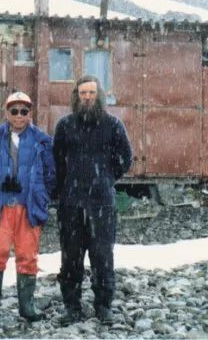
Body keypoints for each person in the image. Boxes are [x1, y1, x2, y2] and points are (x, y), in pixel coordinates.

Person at [52, 75, 133, 325]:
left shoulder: (113, 125)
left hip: (101, 204)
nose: (87, 97)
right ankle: (72, 306)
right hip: (71, 204)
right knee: (70, 257)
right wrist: (65, 188)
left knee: (102, 256)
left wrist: (105, 178)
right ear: (76, 96)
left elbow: (125, 158)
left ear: (99, 96)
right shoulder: (65, 126)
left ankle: (103, 306)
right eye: (83, 93)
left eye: (91, 93)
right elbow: (57, 162)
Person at [0, 91, 55, 322]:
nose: (19, 115)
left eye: (24, 111)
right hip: (0, 207)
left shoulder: (41, 140)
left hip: (29, 208)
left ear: (30, 113)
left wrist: (40, 195)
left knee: (28, 256)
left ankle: (27, 307)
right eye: (14, 111)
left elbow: (51, 174)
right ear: (7, 113)